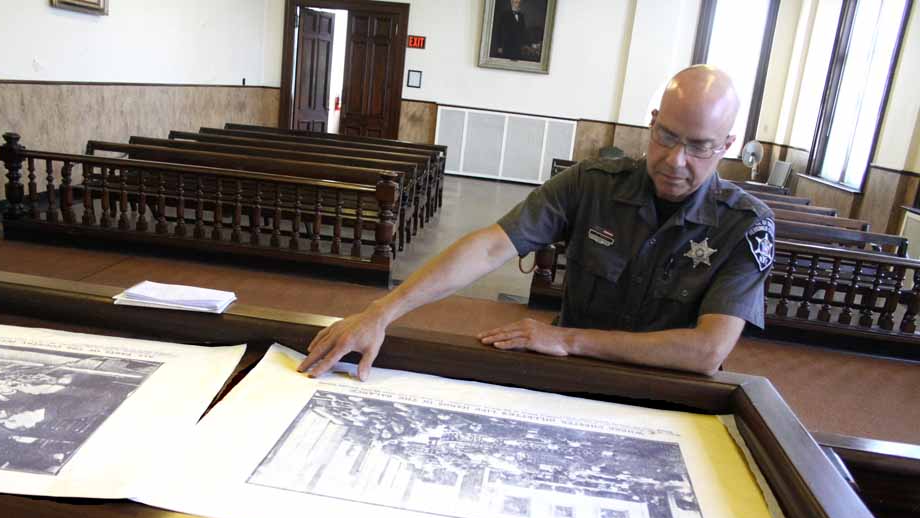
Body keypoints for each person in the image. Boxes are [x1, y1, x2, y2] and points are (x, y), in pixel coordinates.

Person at [299, 65, 775, 380]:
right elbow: (489, 247)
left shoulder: (747, 225)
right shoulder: (593, 183)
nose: (675, 159)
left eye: (700, 146)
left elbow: (707, 351)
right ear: (651, 121)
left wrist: (567, 338)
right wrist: (381, 312)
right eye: (666, 136)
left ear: (728, 144)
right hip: (564, 378)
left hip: (669, 395)